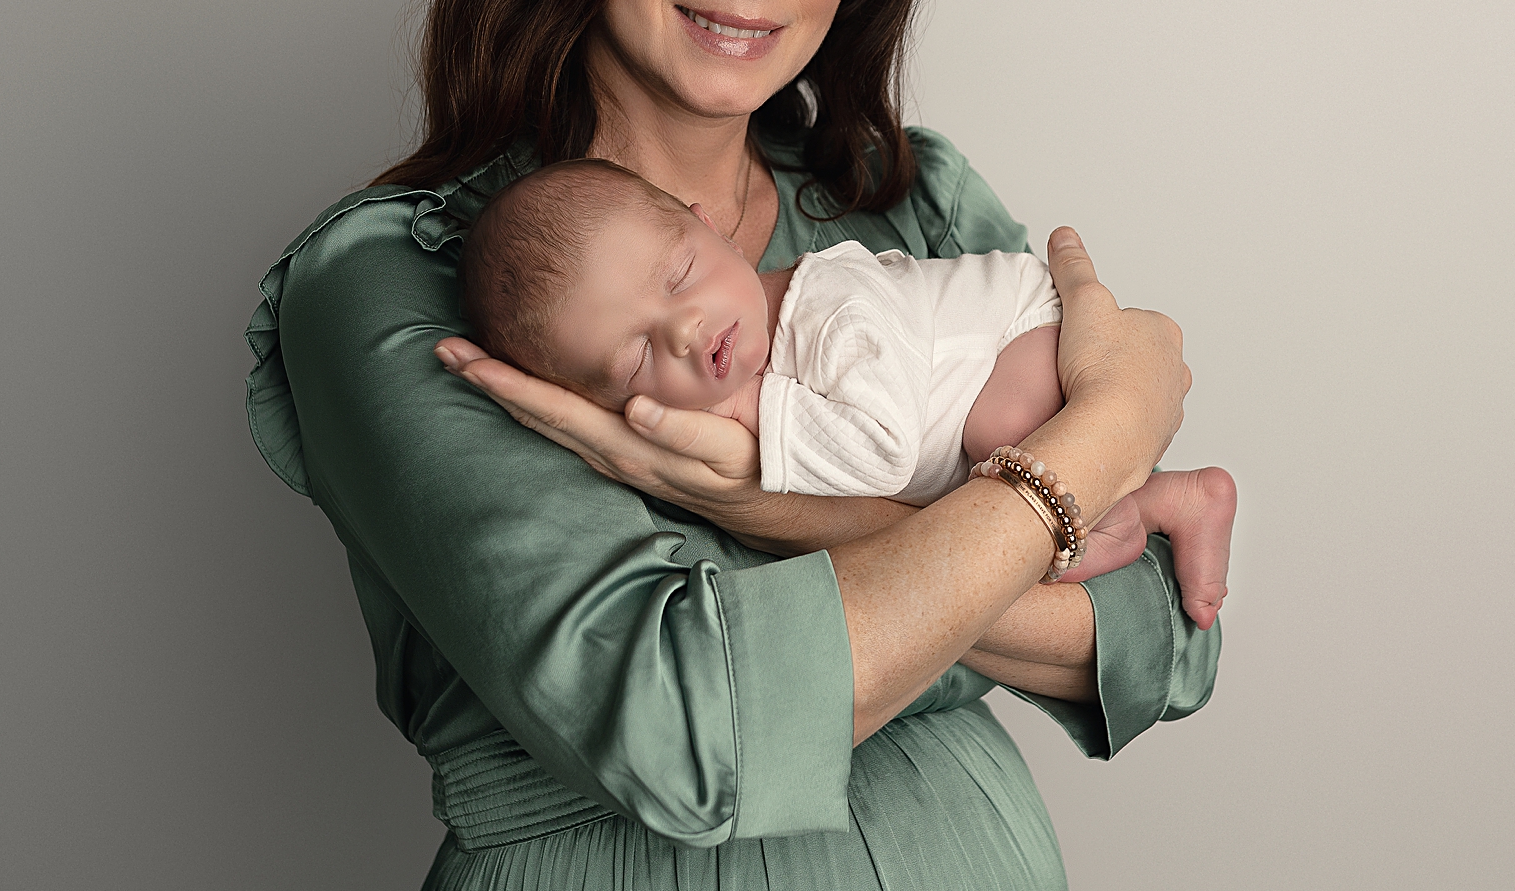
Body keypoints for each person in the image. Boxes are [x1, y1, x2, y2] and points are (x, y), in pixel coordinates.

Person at [243, 0, 1221, 891]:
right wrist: (1109, 431)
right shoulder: (401, 280)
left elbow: (1161, 636)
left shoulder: (909, 202)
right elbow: (688, 724)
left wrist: (796, 525)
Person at [458, 156, 1239, 628]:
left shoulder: (830, 309)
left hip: (1027, 330)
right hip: (992, 396)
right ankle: (1178, 497)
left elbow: (887, 446)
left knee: (997, 438)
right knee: (978, 496)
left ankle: (1127, 505)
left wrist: (762, 418)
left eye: (680, 275)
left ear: (713, 226)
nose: (688, 330)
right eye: (637, 354)